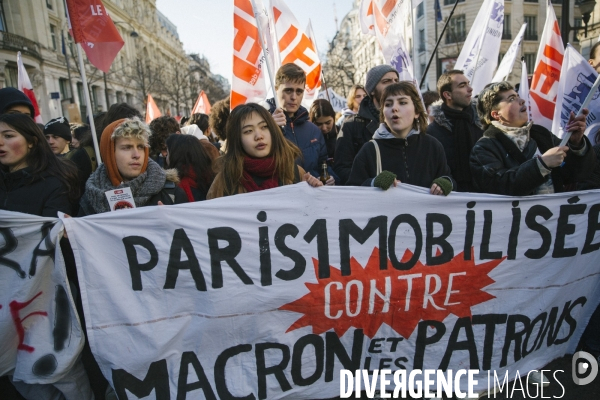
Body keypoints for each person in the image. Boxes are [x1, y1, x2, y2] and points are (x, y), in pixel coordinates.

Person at [0, 113, 93, 400]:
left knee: (59, 373)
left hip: (47, 298)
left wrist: (61, 229)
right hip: (7, 299)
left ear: (30, 142)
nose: (0, 143)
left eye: (8, 136)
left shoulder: (54, 183)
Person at [470, 81, 595, 196]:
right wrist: (542, 164)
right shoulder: (484, 148)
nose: (522, 101)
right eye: (511, 99)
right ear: (496, 114)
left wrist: (576, 143)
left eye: (518, 96)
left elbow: (576, 174)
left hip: (555, 217)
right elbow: (500, 186)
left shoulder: (541, 134)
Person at [347, 82, 455, 195]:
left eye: (402, 102)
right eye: (388, 104)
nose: (394, 108)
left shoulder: (433, 145)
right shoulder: (370, 150)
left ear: (417, 112)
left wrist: (446, 183)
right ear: (383, 114)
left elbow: (447, 178)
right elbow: (352, 191)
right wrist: (373, 183)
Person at [207, 103, 322, 199]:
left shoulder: (295, 173)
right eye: (248, 131)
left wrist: (315, 192)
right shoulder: (224, 183)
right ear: (237, 139)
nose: (259, 136)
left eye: (264, 127)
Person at [78, 118, 187, 215]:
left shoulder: (171, 193)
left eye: (140, 147)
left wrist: (173, 224)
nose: (136, 155)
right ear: (109, 153)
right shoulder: (90, 198)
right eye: (127, 147)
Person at [267, 63, 336, 185]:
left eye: (299, 92)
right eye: (288, 91)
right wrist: (269, 130)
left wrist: (330, 177)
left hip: (313, 197)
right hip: (281, 198)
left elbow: (323, 164)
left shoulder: (313, 130)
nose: (294, 97)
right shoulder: (262, 125)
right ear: (276, 89)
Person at [334, 65, 399, 184]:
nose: (394, 85)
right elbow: (342, 168)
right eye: (387, 81)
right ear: (372, 90)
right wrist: (372, 183)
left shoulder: (407, 123)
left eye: (396, 80)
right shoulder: (352, 125)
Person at [426, 70, 483, 192]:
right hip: (453, 200)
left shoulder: (483, 123)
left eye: (468, 83)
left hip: (485, 197)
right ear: (448, 95)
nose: (470, 89)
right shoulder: (433, 132)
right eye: (462, 86)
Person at [166, 134, 215, 201]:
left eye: (168, 153)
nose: (166, 156)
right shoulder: (211, 178)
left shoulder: (174, 188)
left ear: (175, 156)